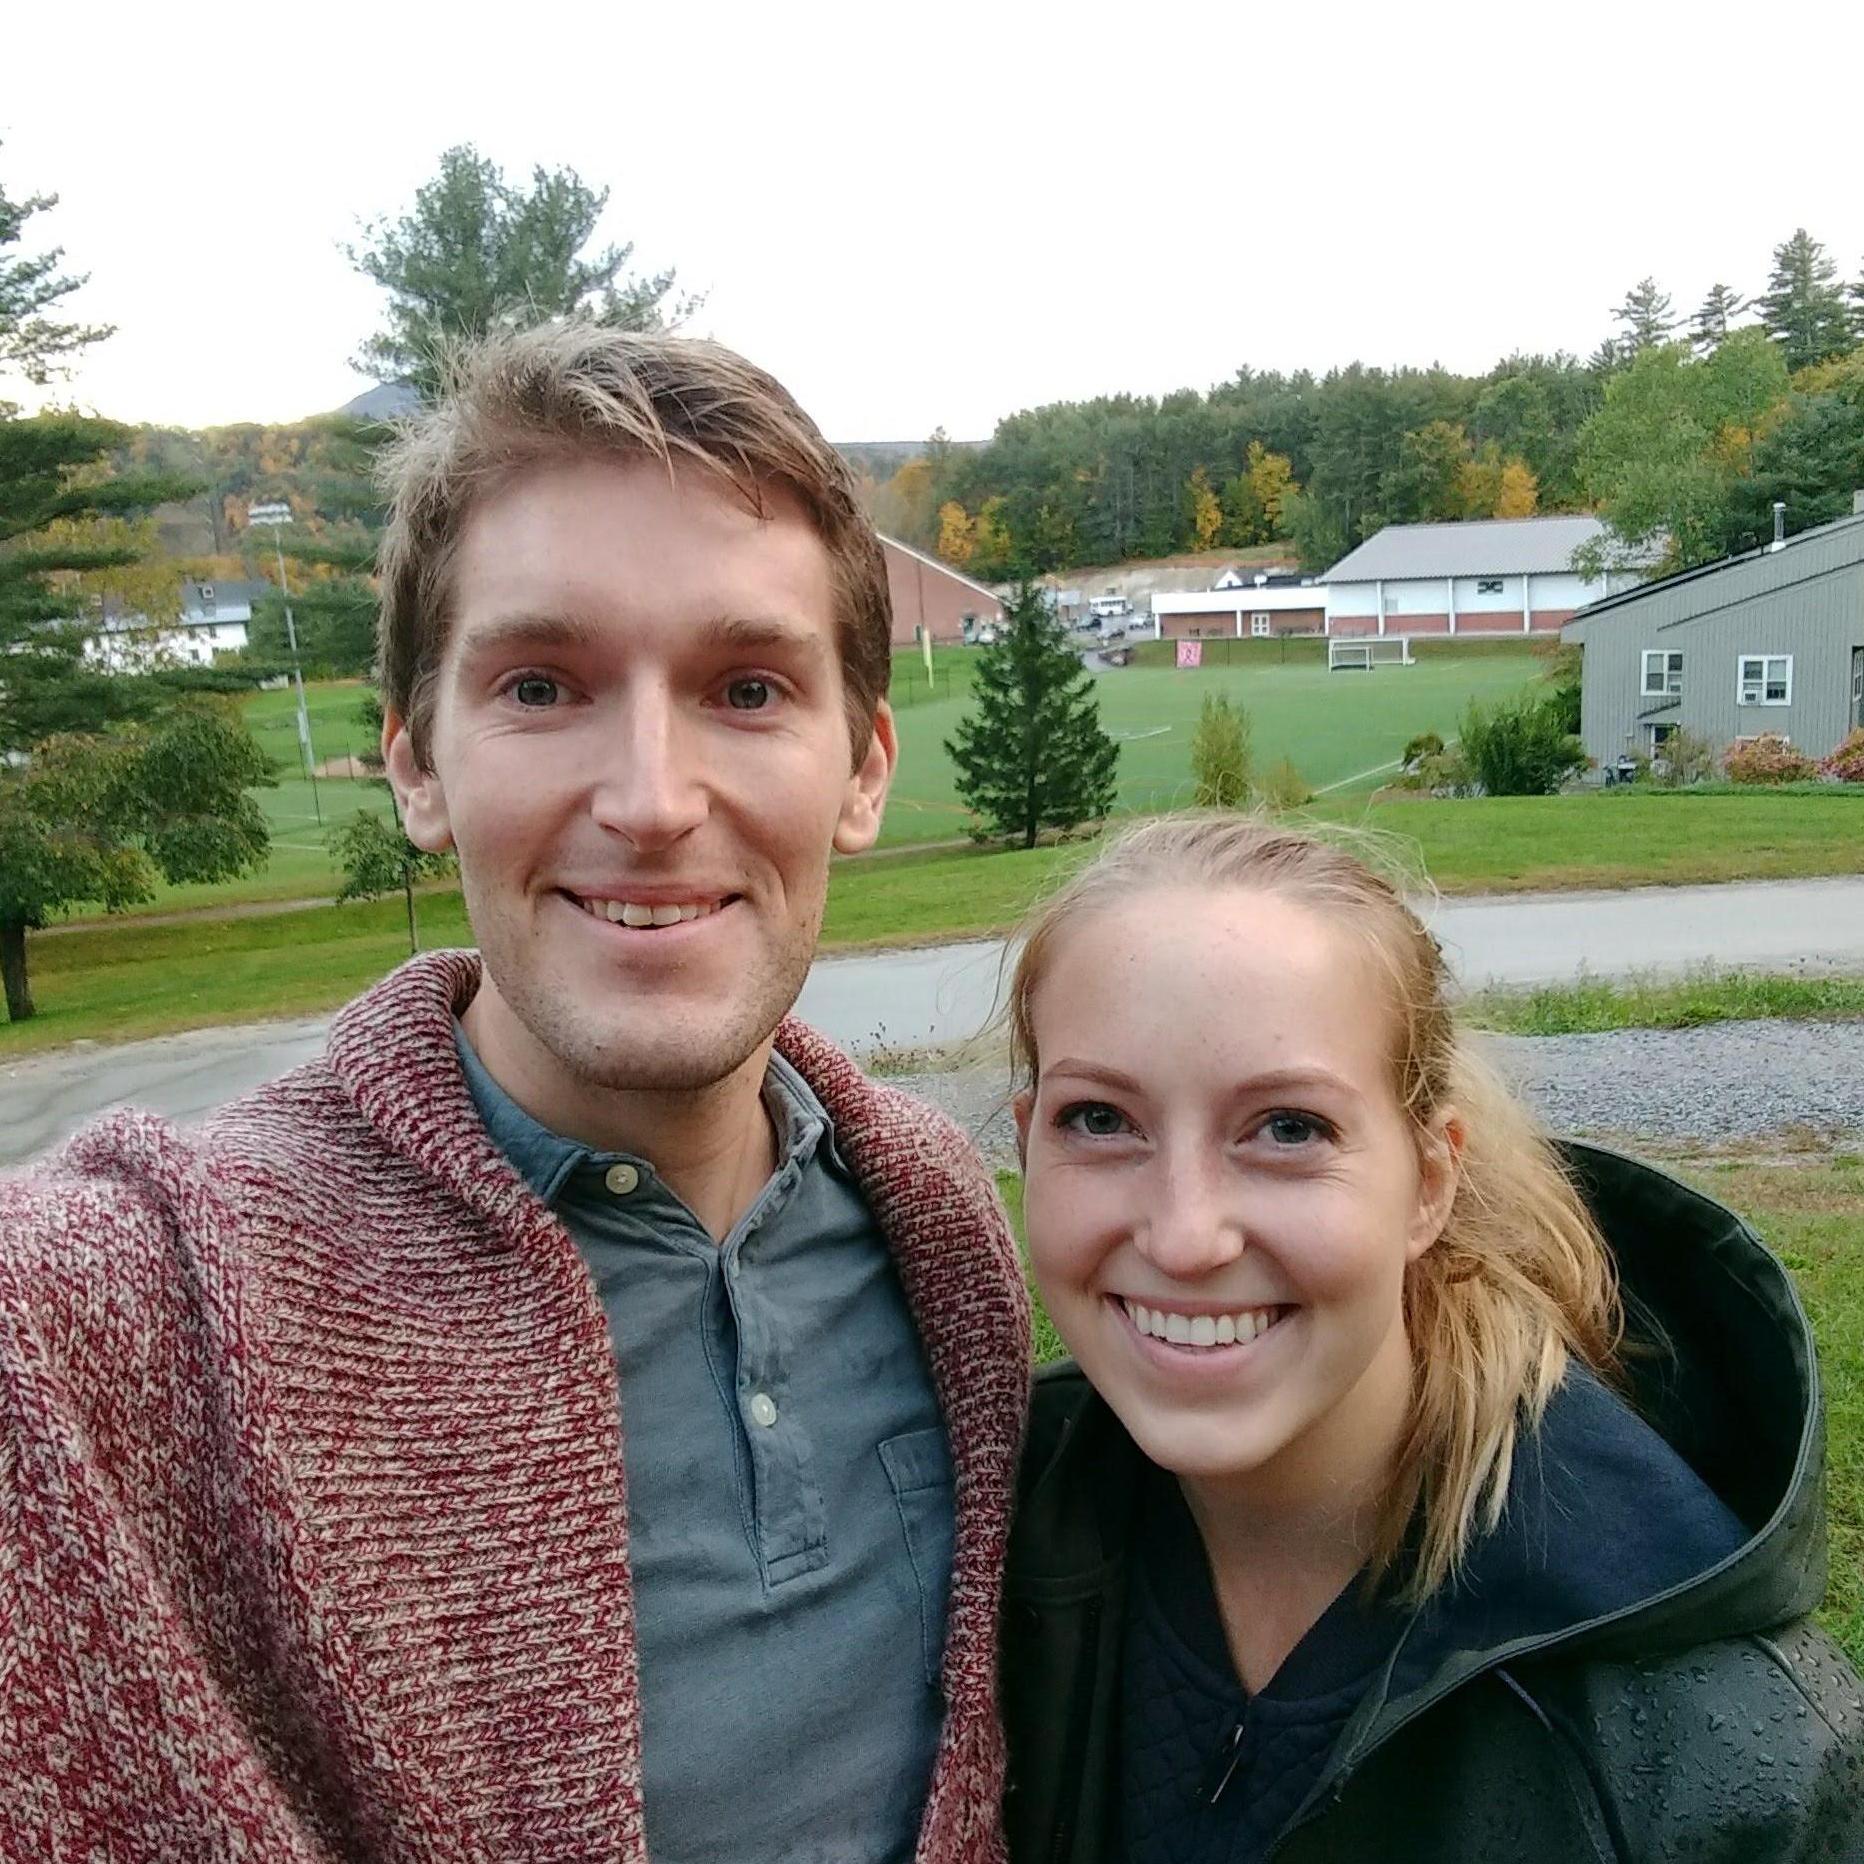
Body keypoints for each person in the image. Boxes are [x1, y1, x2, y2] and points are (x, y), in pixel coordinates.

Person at [0, 326, 1031, 1862]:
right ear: (417, 767)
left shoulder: (942, 1221)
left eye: (746, 688)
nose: (652, 800)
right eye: (543, 685)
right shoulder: (165, 1284)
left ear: (864, 770)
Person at [998, 814, 1862, 1863]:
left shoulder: (1701, 1737)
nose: (1184, 1236)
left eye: (1287, 1129)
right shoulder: (975, 1541)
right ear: (1025, 1141)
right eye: (1100, 1120)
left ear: (1430, 1182)